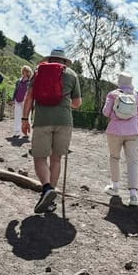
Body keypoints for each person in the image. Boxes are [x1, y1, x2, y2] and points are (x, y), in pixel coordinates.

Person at [21, 49, 82, 214]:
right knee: (56, 159)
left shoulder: (38, 72)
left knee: (39, 158)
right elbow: (77, 103)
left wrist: (25, 119)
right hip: (64, 121)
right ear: (64, 61)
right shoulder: (71, 74)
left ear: (49, 59)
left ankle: (47, 189)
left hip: (42, 121)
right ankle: (50, 195)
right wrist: (65, 102)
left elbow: (29, 97)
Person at [101, 72, 138, 207]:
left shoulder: (113, 94)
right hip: (133, 131)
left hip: (114, 131)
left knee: (114, 157)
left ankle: (115, 187)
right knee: (133, 162)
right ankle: (133, 196)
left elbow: (105, 112)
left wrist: (116, 114)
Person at [12, 65, 33, 138]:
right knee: (17, 116)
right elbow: (15, 90)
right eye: (23, 71)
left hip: (26, 101)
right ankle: (16, 132)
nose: (24, 72)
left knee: (27, 116)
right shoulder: (18, 80)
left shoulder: (31, 81)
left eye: (26, 71)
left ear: (29, 72)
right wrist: (13, 99)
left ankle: (26, 133)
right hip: (18, 99)